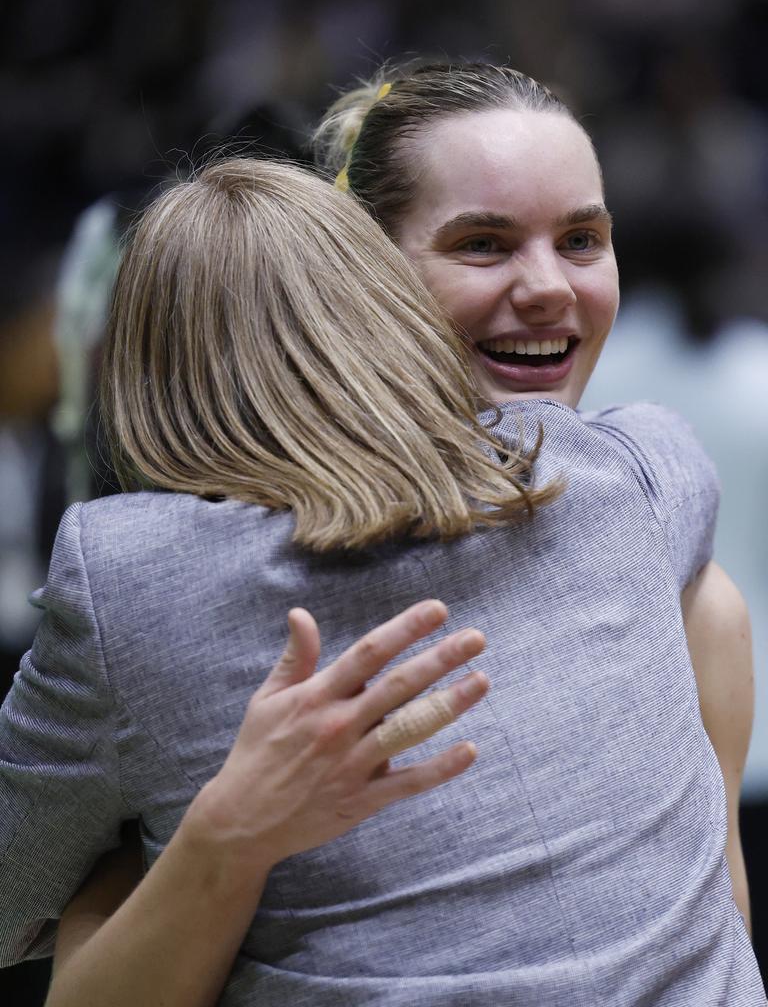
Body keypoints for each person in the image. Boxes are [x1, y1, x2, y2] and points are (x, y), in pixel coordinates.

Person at [4, 64, 763, 1006]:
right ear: (365, 280)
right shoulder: (630, 472)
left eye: (582, 240)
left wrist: (174, 857)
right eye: (483, 245)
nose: (546, 288)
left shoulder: (128, 574)